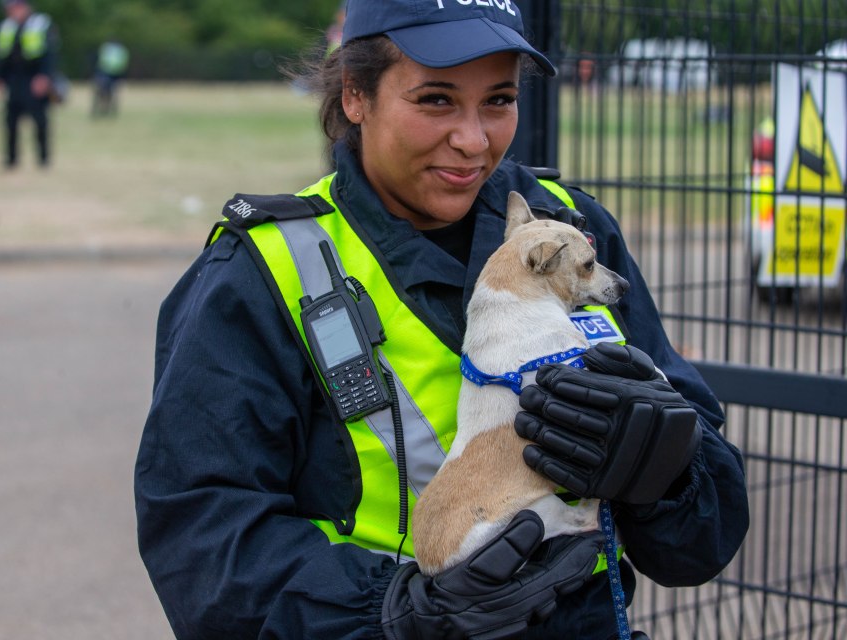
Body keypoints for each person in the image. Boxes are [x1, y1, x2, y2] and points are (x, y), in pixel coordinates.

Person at [134, 1, 750, 638]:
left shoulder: (572, 229)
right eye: (435, 99)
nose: (473, 139)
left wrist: (666, 467)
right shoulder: (261, 270)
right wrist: (397, 614)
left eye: (499, 100)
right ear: (354, 95)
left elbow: (702, 542)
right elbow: (203, 538)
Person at [0, 0, 58, 169]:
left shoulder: (41, 24)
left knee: (40, 120)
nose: (11, 11)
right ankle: (11, 158)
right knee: (10, 120)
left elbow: (51, 53)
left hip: (34, 78)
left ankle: (43, 158)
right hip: (14, 79)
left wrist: (44, 76)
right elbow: (2, 55)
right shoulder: (6, 27)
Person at [91, 40, 129, 117]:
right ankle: (107, 110)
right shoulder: (121, 50)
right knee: (110, 93)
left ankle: (100, 110)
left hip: (105, 72)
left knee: (102, 92)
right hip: (114, 74)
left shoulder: (106, 48)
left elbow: (101, 60)